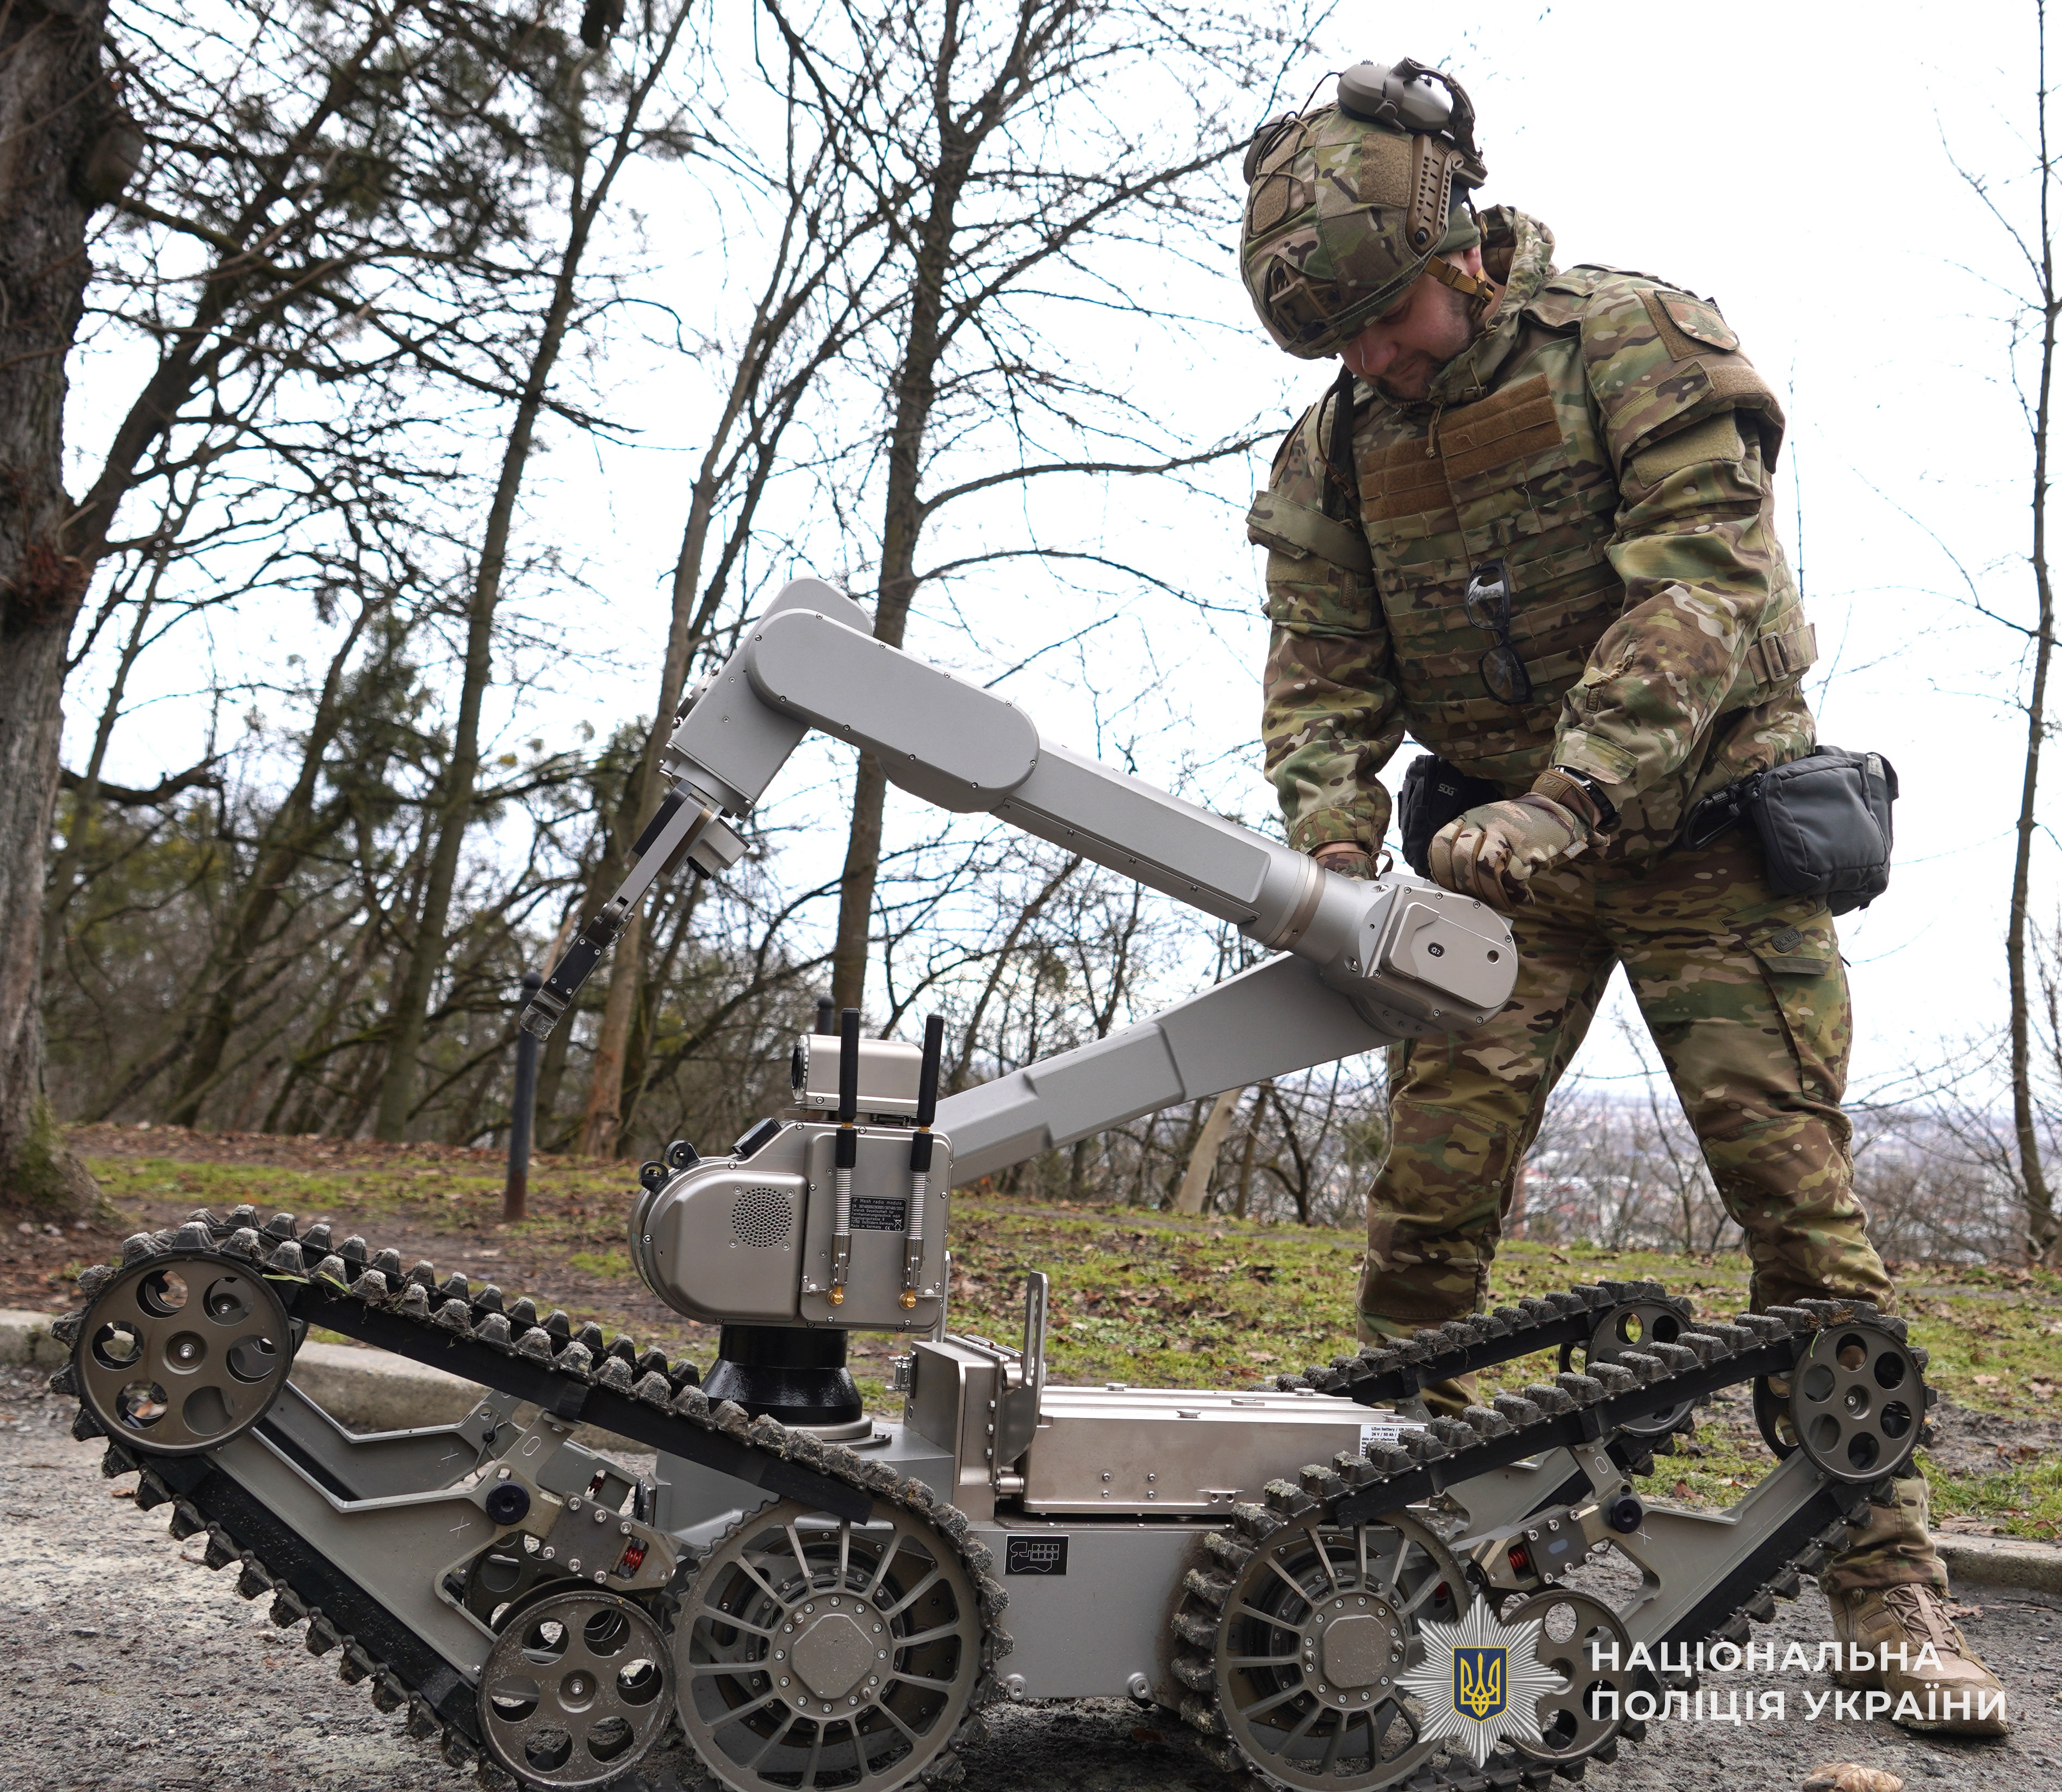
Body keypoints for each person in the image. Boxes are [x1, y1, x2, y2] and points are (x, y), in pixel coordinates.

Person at [1241, 58, 2004, 1735]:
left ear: (1458, 249)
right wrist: (1335, 846)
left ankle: (1888, 1589)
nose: (1371, 362)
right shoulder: (1338, 451)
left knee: (1799, 1217)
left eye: (1384, 322)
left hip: (1707, 837)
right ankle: (1386, 1550)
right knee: (1428, 1209)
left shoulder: (1637, 343)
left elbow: (1703, 590)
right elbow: (1320, 666)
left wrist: (1573, 793)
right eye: (1337, 344)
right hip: (1498, 869)